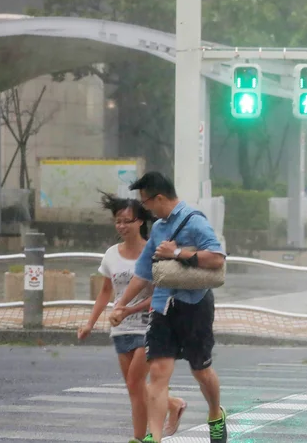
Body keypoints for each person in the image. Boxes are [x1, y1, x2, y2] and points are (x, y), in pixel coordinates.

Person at [109, 172, 227, 443]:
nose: (146, 209)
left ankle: (215, 413)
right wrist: (121, 305)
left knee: (201, 370)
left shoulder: (195, 221)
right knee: (159, 373)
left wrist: (176, 253)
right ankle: (155, 437)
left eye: (147, 203)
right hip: (162, 307)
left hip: (194, 305)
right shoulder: (160, 228)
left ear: (159, 198)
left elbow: (217, 259)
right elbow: (143, 272)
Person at [78, 192, 187, 443]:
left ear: (140, 222)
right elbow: (106, 291)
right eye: (118, 220)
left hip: (149, 326)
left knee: (135, 381)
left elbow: (161, 293)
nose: (122, 226)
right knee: (133, 387)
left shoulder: (153, 252)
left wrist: (129, 309)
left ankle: (140, 438)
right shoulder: (111, 255)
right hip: (120, 328)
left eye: (127, 220)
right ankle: (171, 404)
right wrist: (90, 323)